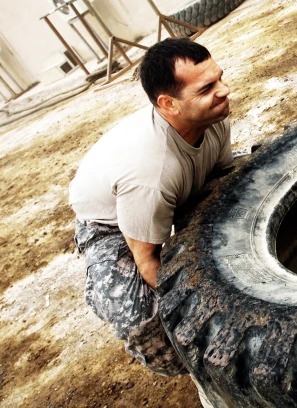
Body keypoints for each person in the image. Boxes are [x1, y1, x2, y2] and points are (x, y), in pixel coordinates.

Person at [69, 38, 232, 403]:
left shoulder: (213, 116)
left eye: (219, 78)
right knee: (143, 315)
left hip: (175, 192)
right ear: (168, 104)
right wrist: (204, 317)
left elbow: (222, 183)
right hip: (110, 224)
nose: (224, 91)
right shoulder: (150, 172)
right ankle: (205, 374)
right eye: (207, 88)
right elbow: (148, 262)